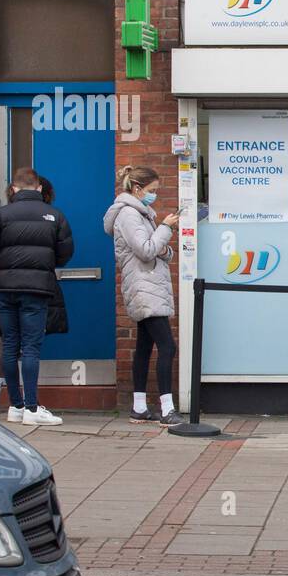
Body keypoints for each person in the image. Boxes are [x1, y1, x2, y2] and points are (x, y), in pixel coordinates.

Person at [0, 167, 74, 426]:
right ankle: (31, 407)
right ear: (39, 188)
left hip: (5, 288)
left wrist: (5, 264)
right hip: (37, 288)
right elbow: (65, 254)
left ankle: (16, 406)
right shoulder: (55, 216)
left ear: (14, 189)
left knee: (9, 344)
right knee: (30, 346)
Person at [103, 165, 182, 426]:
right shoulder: (129, 214)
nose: (154, 195)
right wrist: (165, 227)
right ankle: (167, 408)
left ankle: (138, 407)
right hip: (143, 286)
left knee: (144, 347)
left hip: (148, 285)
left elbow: (160, 251)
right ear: (137, 189)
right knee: (168, 346)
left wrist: (162, 239)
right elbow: (147, 250)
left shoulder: (141, 214)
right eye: (152, 191)